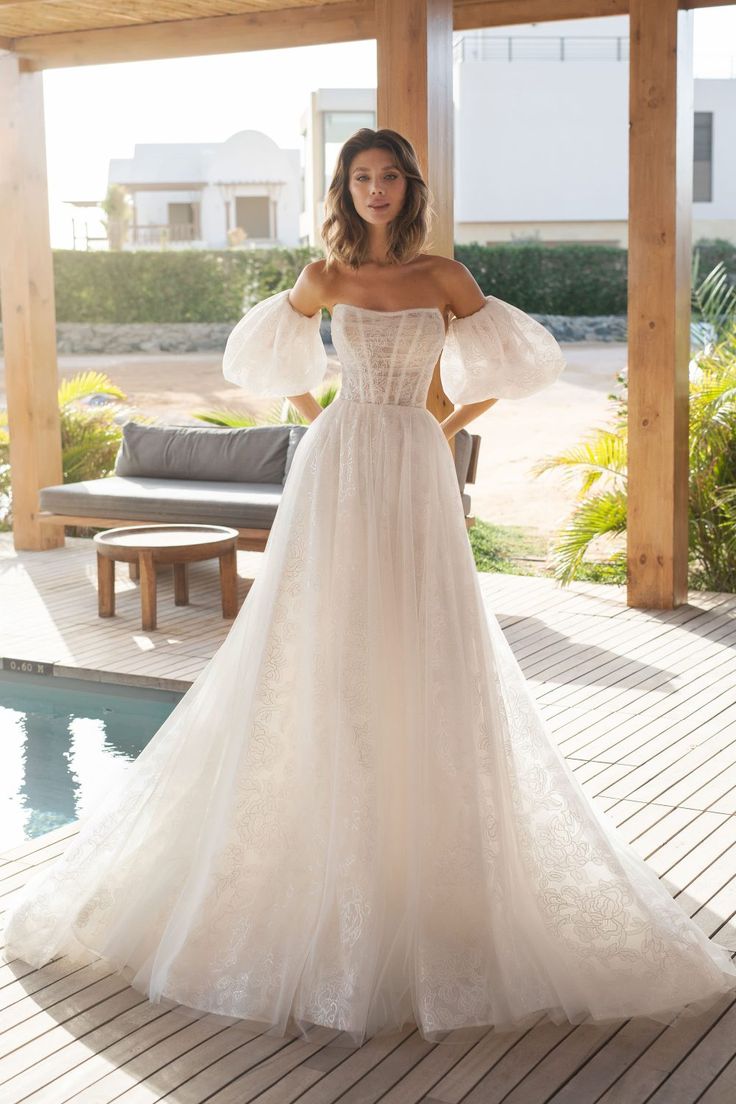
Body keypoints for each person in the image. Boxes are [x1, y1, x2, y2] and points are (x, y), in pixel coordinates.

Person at [4, 127, 736, 1051]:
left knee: (423, 638)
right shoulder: (325, 278)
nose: (377, 189)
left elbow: (519, 364)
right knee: (322, 640)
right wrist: (323, 418)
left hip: (414, 463)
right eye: (362, 177)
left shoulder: (445, 277)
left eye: (390, 177)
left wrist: (438, 421)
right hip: (340, 462)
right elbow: (270, 365)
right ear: (344, 189)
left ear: (409, 188)